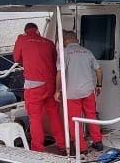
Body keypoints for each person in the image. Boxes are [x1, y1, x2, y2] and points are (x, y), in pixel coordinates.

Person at [12, 22, 66, 152]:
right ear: (38, 31)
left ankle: (38, 148)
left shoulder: (22, 39)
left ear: (26, 31)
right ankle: (62, 144)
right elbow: (55, 61)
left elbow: (16, 59)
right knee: (54, 116)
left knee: (35, 118)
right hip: (51, 84)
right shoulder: (49, 43)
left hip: (34, 86)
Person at [56, 30, 104, 152]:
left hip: (72, 93)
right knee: (91, 116)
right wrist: (99, 85)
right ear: (76, 40)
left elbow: (60, 73)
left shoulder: (64, 53)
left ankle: (81, 148)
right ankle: (98, 142)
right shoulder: (87, 52)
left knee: (75, 120)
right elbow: (99, 70)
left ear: (66, 41)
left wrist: (57, 90)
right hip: (88, 91)